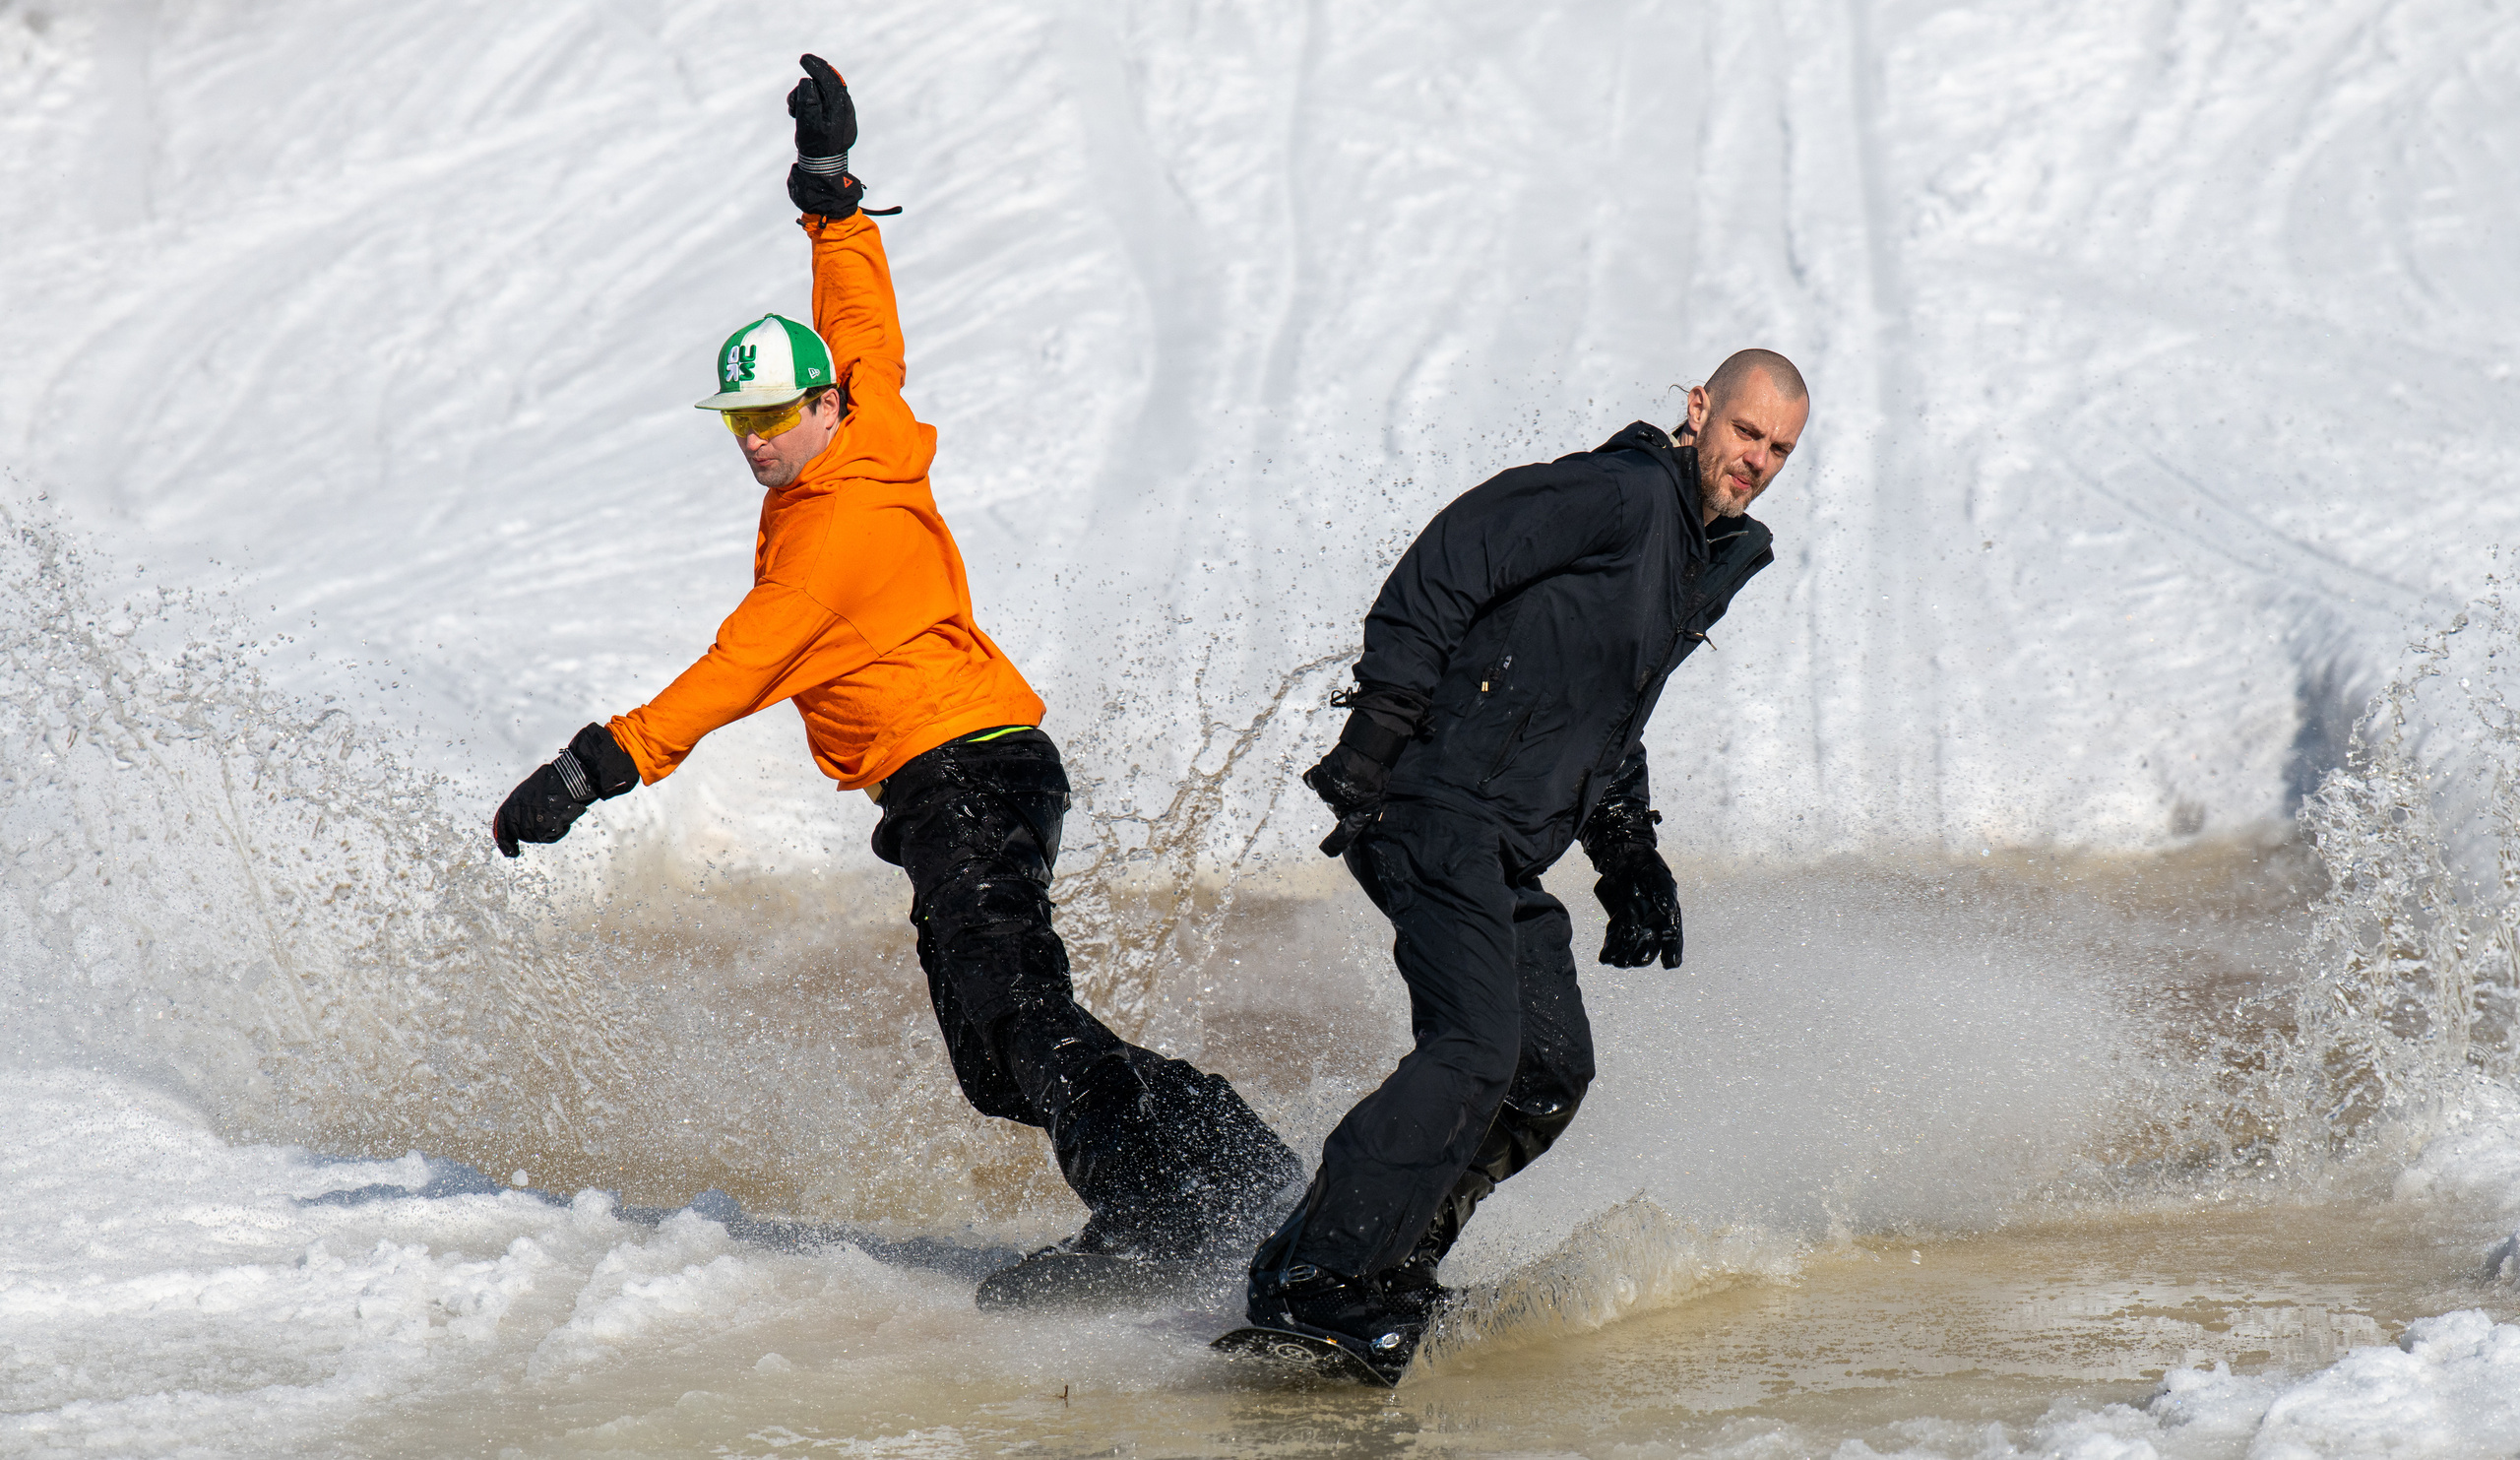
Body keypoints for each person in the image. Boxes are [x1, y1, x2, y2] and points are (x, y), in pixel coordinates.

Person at [489, 54, 1297, 1307]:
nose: (755, 443)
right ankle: (1225, 1158)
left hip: (964, 772)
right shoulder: (860, 420)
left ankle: (1156, 1213)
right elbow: (862, 322)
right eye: (737, 424)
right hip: (962, 780)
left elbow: (731, 673)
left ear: (814, 408)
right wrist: (829, 196)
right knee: (992, 1059)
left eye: (772, 420)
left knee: (1020, 1016)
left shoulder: (826, 542)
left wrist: (586, 770)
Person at [1245, 352, 1809, 1378]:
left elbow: (1604, 713)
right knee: (1473, 1046)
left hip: (1499, 839)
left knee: (1547, 1068)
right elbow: (1451, 558)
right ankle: (1313, 1281)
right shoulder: (1622, 493)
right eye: (1744, 433)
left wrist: (1629, 857)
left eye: (1778, 449)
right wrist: (1377, 733)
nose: (1756, 460)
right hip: (1428, 799)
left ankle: (1387, 1265)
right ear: (1698, 410)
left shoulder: (1702, 555)